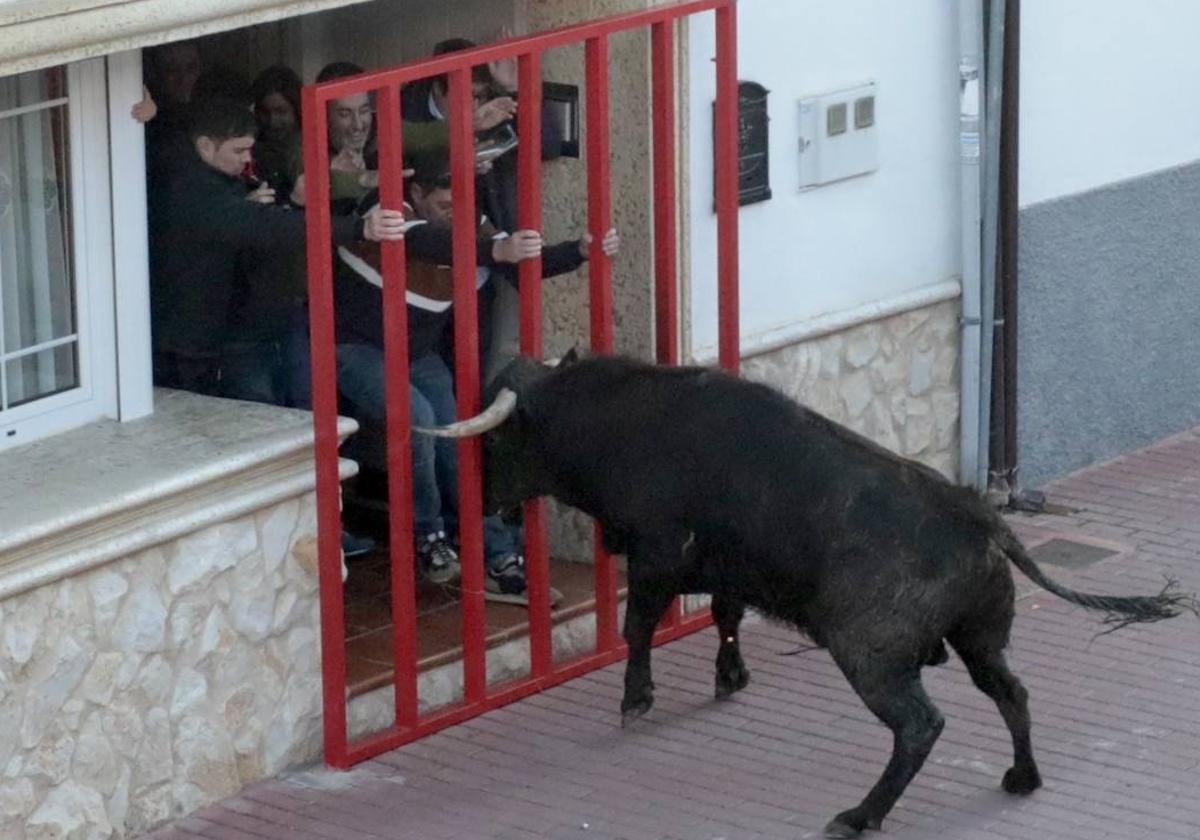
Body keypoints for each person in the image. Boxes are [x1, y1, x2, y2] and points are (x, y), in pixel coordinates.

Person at [333, 150, 618, 603]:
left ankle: (494, 552)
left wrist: (579, 252)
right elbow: (424, 243)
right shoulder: (385, 212)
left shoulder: (473, 223)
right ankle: (429, 537)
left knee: (460, 438)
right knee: (420, 422)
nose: (456, 210)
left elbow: (521, 262)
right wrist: (492, 249)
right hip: (355, 347)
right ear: (417, 193)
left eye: (462, 199)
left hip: (416, 353)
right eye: (445, 200)